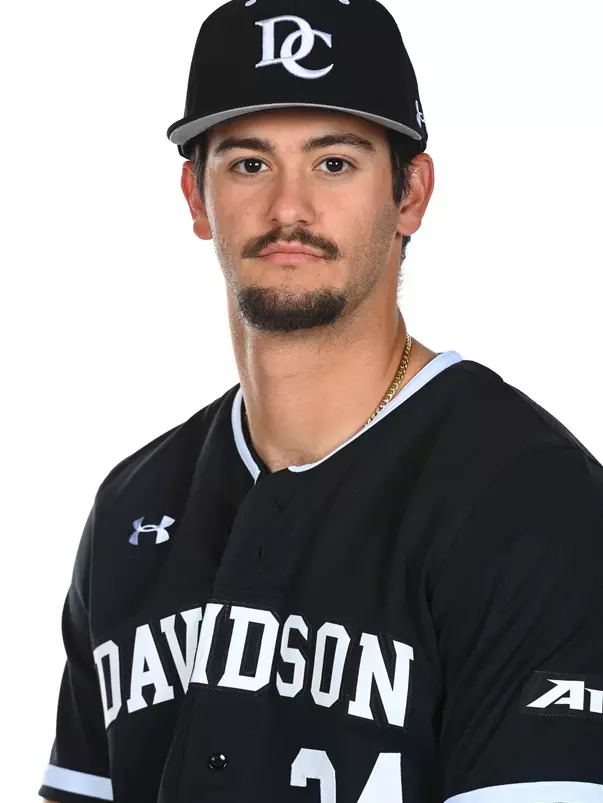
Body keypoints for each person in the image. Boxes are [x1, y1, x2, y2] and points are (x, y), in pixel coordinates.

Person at [39, 0, 603, 801]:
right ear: (196, 197)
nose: (288, 209)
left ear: (410, 195)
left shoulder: (528, 498)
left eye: (334, 163)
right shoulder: (133, 504)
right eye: (248, 164)